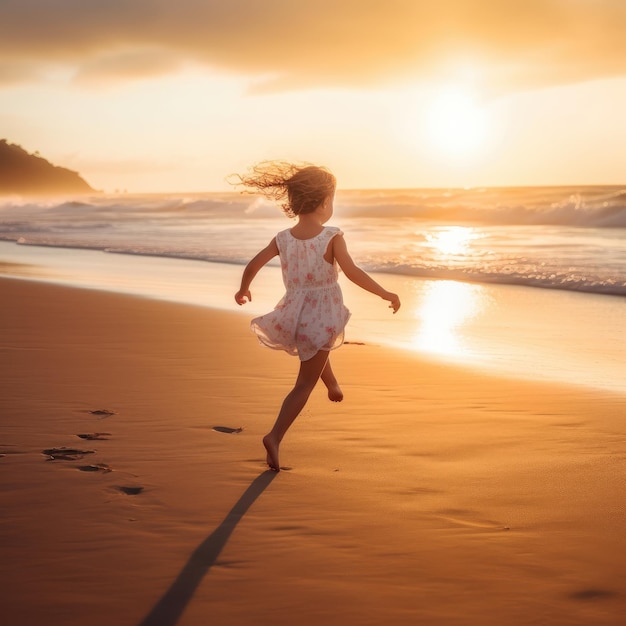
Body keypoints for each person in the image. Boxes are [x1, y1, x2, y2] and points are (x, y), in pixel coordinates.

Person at [233, 161, 400, 471]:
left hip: (293, 313)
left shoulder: (283, 238)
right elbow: (352, 272)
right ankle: (275, 436)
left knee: (317, 349)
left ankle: (332, 384)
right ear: (325, 202)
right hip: (321, 313)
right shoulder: (331, 236)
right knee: (303, 384)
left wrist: (244, 289)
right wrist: (385, 293)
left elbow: (253, 264)